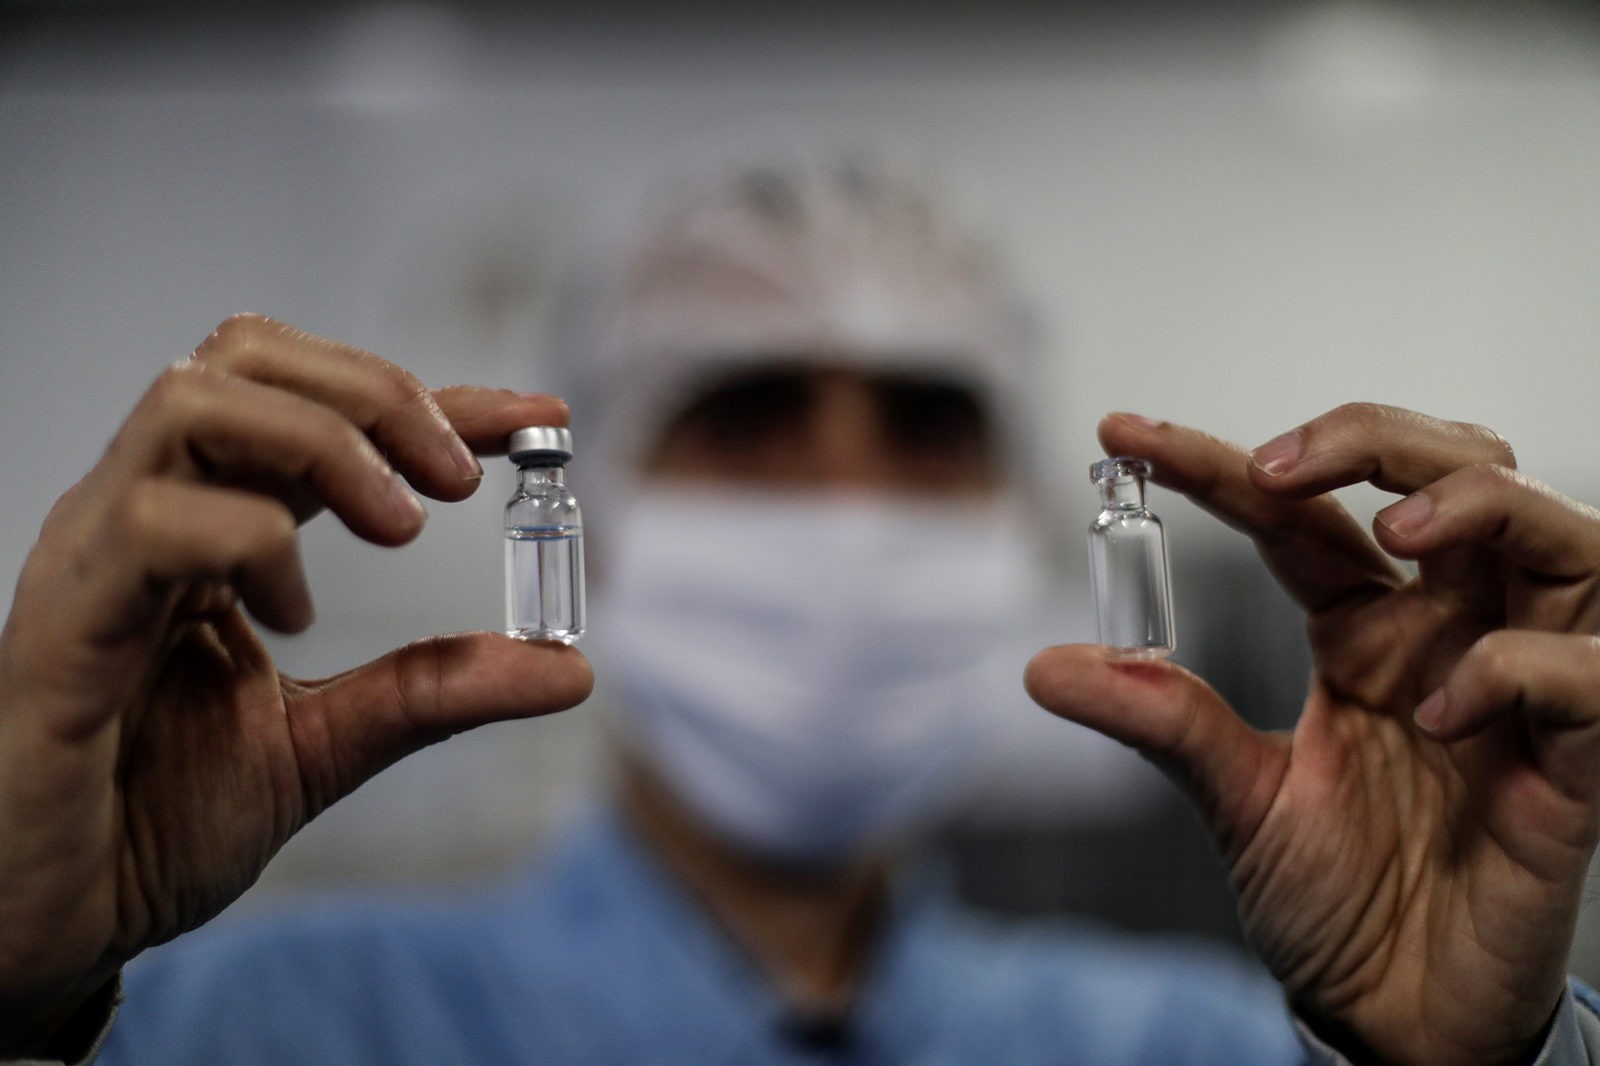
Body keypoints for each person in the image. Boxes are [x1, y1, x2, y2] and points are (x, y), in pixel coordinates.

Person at [4, 159, 1600, 1066]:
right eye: (752, 414)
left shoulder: (1212, 1047)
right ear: (605, 510)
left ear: (1012, 521)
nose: (847, 501)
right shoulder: (227, 1028)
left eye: (925, 428)